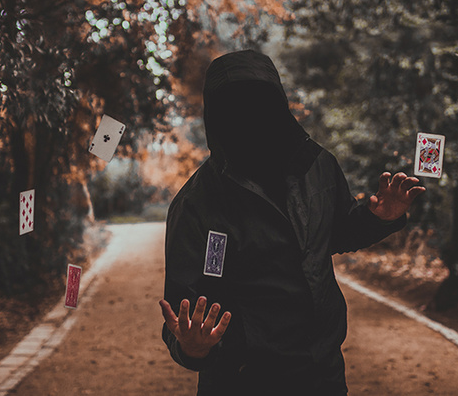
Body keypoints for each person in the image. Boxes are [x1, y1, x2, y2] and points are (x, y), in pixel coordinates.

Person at [159, 50, 425, 395]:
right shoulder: (196, 204)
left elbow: (337, 233)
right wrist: (193, 348)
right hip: (240, 381)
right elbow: (182, 313)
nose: (248, 116)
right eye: (234, 107)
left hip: (322, 373)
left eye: (258, 102)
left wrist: (380, 217)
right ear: (217, 116)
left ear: (277, 103)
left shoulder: (318, 166)